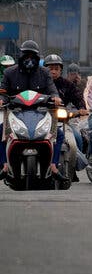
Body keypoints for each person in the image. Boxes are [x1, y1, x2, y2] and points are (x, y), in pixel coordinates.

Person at [0, 41, 67, 181]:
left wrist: (55, 98)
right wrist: (2, 99)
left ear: (37, 57)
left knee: (58, 134)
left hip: (41, 112)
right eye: (26, 55)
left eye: (32, 56)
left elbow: (52, 89)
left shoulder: (45, 72)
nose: (29, 59)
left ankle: (53, 165)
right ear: (21, 56)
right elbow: (3, 91)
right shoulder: (9, 72)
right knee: (1, 132)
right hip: (16, 112)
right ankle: (4, 165)